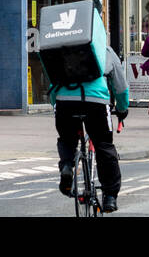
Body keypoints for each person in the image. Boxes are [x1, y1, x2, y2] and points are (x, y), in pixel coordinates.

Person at [49, 13, 129, 213]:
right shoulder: (105, 51)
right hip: (96, 104)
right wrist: (122, 108)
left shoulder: (64, 51)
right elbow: (120, 87)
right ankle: (110, 196)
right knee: (104, 146)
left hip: (65, 103)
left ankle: (67, 167)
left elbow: (53, 83)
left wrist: (56, 106)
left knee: (67, 140)